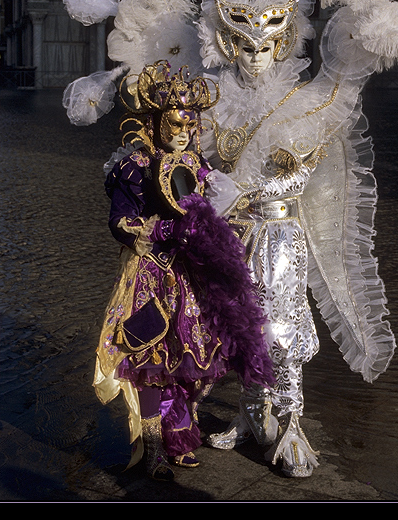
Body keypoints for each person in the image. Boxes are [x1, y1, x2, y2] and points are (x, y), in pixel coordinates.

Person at [63, 0, 398, 479]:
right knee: (232, 325)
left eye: (267, 44)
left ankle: (290, 423)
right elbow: (182, 155)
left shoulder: (309, 100)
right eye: (243, 44)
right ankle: (251, 417)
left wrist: (249, 190)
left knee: (281, 329)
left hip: (278, 235)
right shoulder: (213, 100)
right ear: (225, 44)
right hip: (227, 238)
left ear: (284, 43)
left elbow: (305, 164)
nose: (255, 55)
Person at [92, 61, 274, 480]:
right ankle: (154, 447)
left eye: (190, 124)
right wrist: (161, 228)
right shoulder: (134, 167)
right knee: (152, 354)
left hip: (191, 274)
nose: (182, 131)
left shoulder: (196, 164)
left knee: (195, 353)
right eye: (174, 123)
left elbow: (213, 207)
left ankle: (180, 433)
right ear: (155, 122)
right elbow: (121, 220)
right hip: (152, 273)